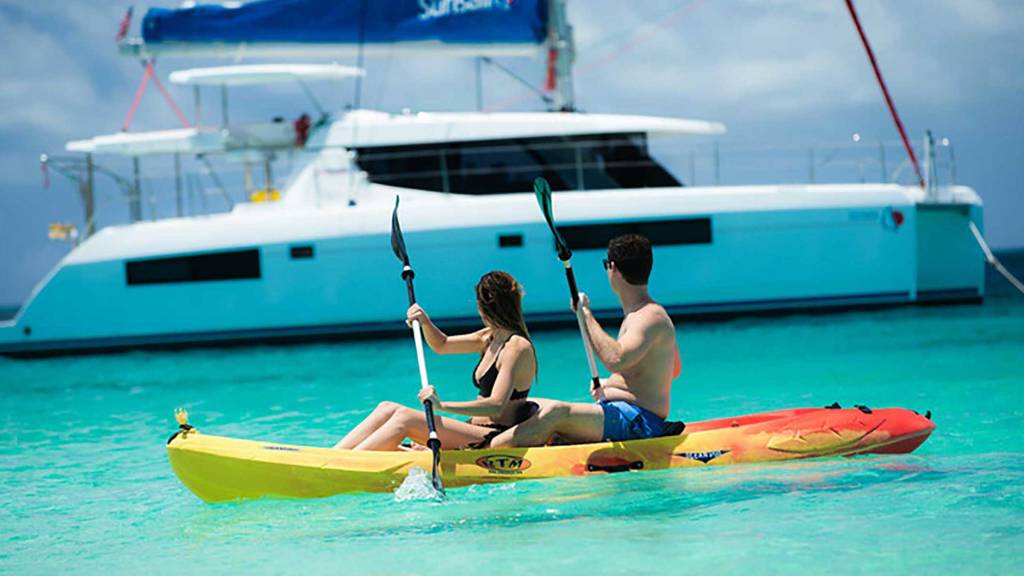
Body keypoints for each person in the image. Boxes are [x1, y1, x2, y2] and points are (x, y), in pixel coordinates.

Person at [490, 234, 680, 448]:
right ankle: (483, 437)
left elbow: (615, 359)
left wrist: (586, 314)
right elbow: (673, 369)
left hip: (638, 422)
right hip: (625, 414)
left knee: (555, 413)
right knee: (526, 406)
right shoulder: (646, 315)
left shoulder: (649, 317)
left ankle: (491, 452)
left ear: (612, 268)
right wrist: (612, 386)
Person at [335, 271, 538, 451]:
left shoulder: (515, 347)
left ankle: (345, 465)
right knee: (387, 408)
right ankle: (335, 456)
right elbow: (442, 344)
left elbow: (495, 406)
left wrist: (441, 405)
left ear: (484, 306)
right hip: (472, 427)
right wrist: (424, 321)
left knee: (405, 418)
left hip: (493, 435)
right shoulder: (489, 337)